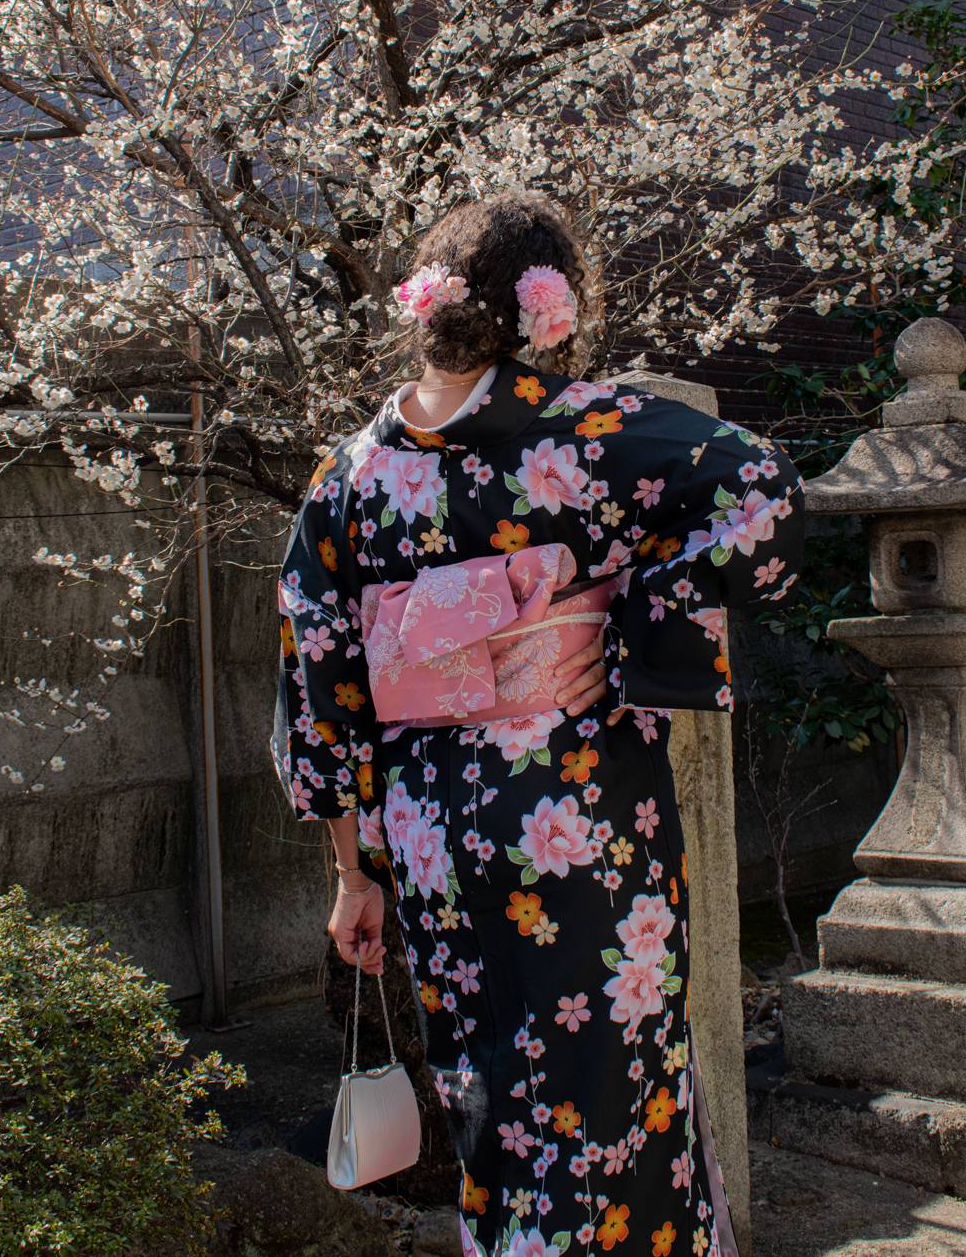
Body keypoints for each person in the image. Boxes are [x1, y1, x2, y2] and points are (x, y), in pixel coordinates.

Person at [271, 194, 805, 1257]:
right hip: (580, 802)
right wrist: (633, 620)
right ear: (546, 309)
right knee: (617, 1088)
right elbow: (765, 494)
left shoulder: (351, 477)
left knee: (493, 1108)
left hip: (435, 834)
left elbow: (321, 683)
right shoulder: (593, 433)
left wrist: (355, 873)